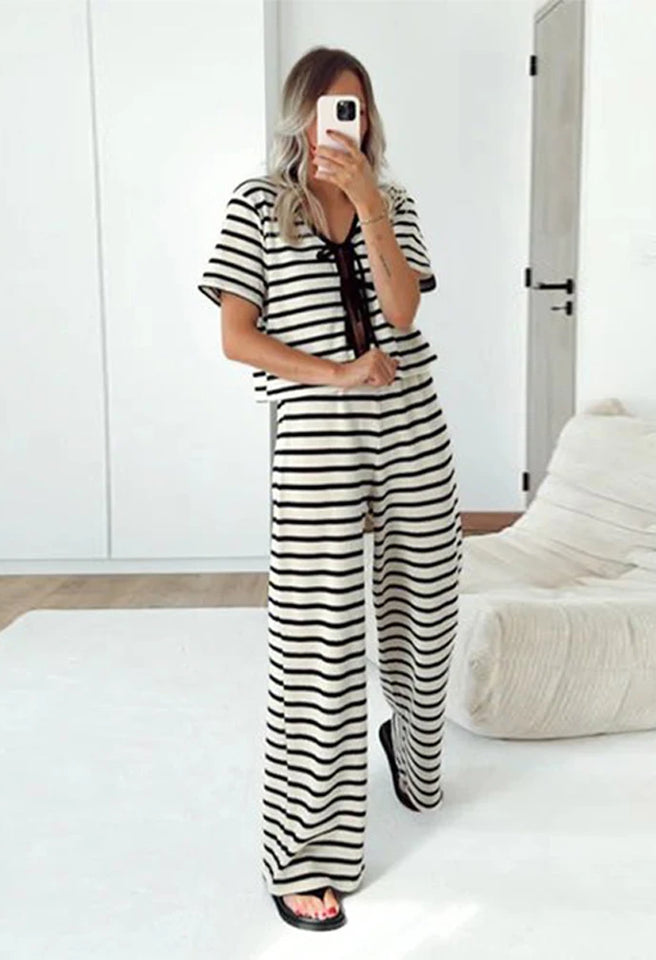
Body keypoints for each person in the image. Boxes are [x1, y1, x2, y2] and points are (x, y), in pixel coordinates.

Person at [197, 45, 463, 932]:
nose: (345, 121)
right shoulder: (257, 205)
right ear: (300, 115)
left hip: (412, 422)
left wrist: (372, 205)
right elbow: (237, 337)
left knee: (429, 603)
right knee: (321, 641)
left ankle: (413, 750)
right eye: (328, 106)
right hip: (317, 437)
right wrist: (335, 373)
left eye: (357, 105)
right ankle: (305, 855)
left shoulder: (397, 203)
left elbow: (403, 312)